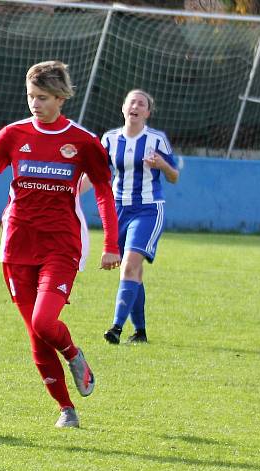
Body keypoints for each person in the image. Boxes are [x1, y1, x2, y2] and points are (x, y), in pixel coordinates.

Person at [0, 61, 120, 429]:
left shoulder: (83, 141)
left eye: (43, 97)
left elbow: (104, 194)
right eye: (31, 96)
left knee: (45, 322)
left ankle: (74, 355)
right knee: (35, 332)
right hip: (17, 244)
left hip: (61, 244)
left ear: (61, 98)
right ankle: (66, 409)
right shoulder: (14, 134)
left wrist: (112, 244)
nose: (35, 103)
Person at [100, 90, 179, 345]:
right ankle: (141, 332)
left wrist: (162, 165)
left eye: (141, 103)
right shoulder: (110, 139)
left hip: (148, 209)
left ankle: (116, 328)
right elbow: (97, 174)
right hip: (118, 210)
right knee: (134, 271)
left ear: (147, 112)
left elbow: (174, 176)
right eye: (131, 102)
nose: (135, 106)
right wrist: (74, 193)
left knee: (129, 265)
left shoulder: (156, 139)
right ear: (123, 108)